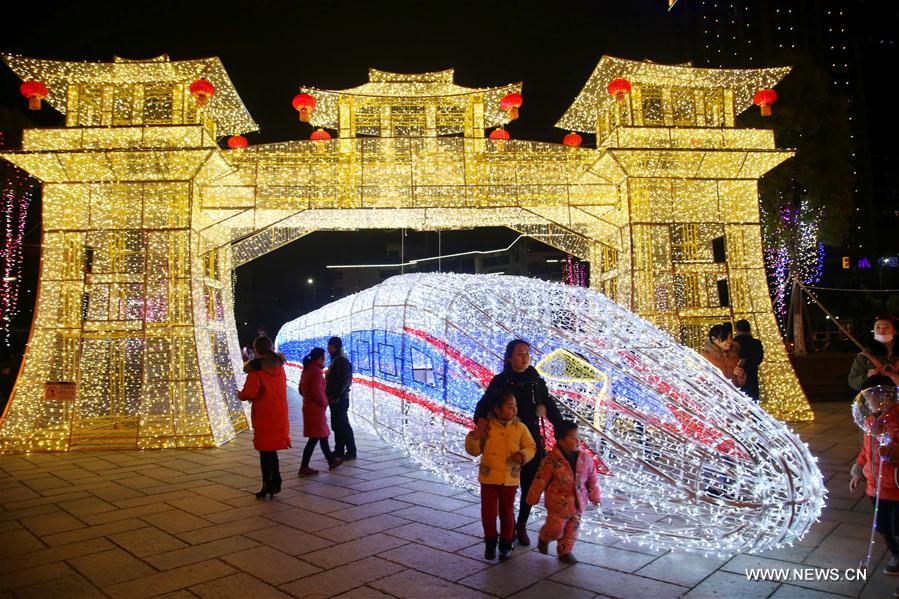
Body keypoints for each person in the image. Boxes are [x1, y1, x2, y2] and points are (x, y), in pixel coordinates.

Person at [474, 339, 565, 546]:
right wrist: (479, 419)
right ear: (509, 358)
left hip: (530, 439)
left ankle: (520, 524)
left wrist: (561, 428)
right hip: (505, 441)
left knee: (530, 485)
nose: (525, 358)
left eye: (527, 354)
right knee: (504, 486)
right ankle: (506, 527)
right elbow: (484, 403)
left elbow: (548, 402)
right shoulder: (500, 381)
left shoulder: (535, 380)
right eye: (520, 354)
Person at [465, 389, 536, 560]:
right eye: (510, 407)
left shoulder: (520, 428)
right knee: (488, 513)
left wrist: (523, 455)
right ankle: (490, 541)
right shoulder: (487, 426)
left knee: (507, 512)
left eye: (515, 407)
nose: (514, 410)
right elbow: (473, 451)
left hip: (509, 478)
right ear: (497, 409)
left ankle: (506, 542)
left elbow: (531, 446)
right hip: (489, 478)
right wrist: (475, 436)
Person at [526, 420, 601, 564]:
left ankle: (565, 552)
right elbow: (540, 479)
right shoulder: (551, 461)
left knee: (572, 531)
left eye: (577, 436)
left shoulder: (585, 459)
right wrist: (532, 497)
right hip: (558, 504)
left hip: (578, 504)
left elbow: (592, 479)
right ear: (561, 441)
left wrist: (595, 497)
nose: (577, 440)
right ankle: (545, 536)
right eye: (572, 438)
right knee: (556, 529)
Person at [850, 375, 899, 575]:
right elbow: (866, 450)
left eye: (870, 395)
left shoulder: (896, 419)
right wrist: (858, 470)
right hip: (875, 485)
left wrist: (893, 451)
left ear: (884, 395)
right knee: (884, 527)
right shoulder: (871, 421)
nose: (868, 401)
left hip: (895, 486)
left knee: (898, 529)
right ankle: (896, 554)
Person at [238, 336, 290, 499]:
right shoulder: (279, 366)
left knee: (264, 451)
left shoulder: (257, 370)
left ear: (257, 350)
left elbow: (249, 393)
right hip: (279, 414)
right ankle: (276, 481)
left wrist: (240, 394)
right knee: (272, 450)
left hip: (264, 415)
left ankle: (266, 484)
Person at [298, 348, 343, 476]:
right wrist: (325, 402)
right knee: (314, 438)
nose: (325, 361)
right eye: (324, 358)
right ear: (320, 359)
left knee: (322, 435)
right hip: (315, 410)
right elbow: (317, 393)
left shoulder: (306, 370)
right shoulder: (316, 372)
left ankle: (331, 461)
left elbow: (301, 390)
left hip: (309, 408)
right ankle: (304, 467)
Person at [326, 336, 357, 460]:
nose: (327, 348)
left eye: (329, 345)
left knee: (343, 424)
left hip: (339, 398)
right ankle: (339, 450)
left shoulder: (341, 360)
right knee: (337, 424)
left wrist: (335, 396)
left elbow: (343, 381)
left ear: (334, 346)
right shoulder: (337, 358)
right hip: (335, 397)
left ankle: (351, 451)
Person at [849, 316, 899, 391]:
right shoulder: (865, 356)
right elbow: (852, 382)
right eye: (878, 327)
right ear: (874, 331)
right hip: (873, 398)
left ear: (894, 331)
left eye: (887, 327)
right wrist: (867, 376)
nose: (882, 330)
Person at [701, 323, 747, 388]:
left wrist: (741, 375)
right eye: (725, 339)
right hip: (715, 395)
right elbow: (701, 381)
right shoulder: (705, 357)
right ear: (714, 339)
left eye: (730, 338)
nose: (729, 341)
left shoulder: (734, 354)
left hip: (733, 394)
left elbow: (739, 384)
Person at [734, 319, 765, 401]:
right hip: (752, 376)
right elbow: (759, 359)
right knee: (752, 401)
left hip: (736, 375)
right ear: (749, 329)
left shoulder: (733, 343)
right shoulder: (756, 343)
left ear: (736, 329)